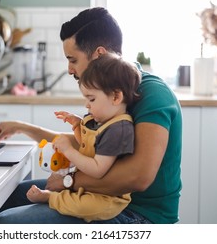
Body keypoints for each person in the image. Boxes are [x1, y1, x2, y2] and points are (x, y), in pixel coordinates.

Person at [0, 7, 182, 224]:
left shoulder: (153, 95)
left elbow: (138, 177)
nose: (70, 69)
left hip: (140, 214)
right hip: (102, 197)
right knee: (7, 198)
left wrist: (69, 181)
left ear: (99, 55)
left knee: (8, 222)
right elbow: (91, 144)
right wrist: (23, 128)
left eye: (73, 59)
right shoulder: (108, 90)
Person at [26, 54, 141, 222]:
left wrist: (68, 150)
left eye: (92, 99)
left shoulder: (118, 129)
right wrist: (78, 127)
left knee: (85, 207)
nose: (87, 105)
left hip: (105, 197)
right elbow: (91, 148)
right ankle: (58, 194)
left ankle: (51, 198)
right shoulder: (102, 120)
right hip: (90, 186)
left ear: (116, 97)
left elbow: (97, 168)